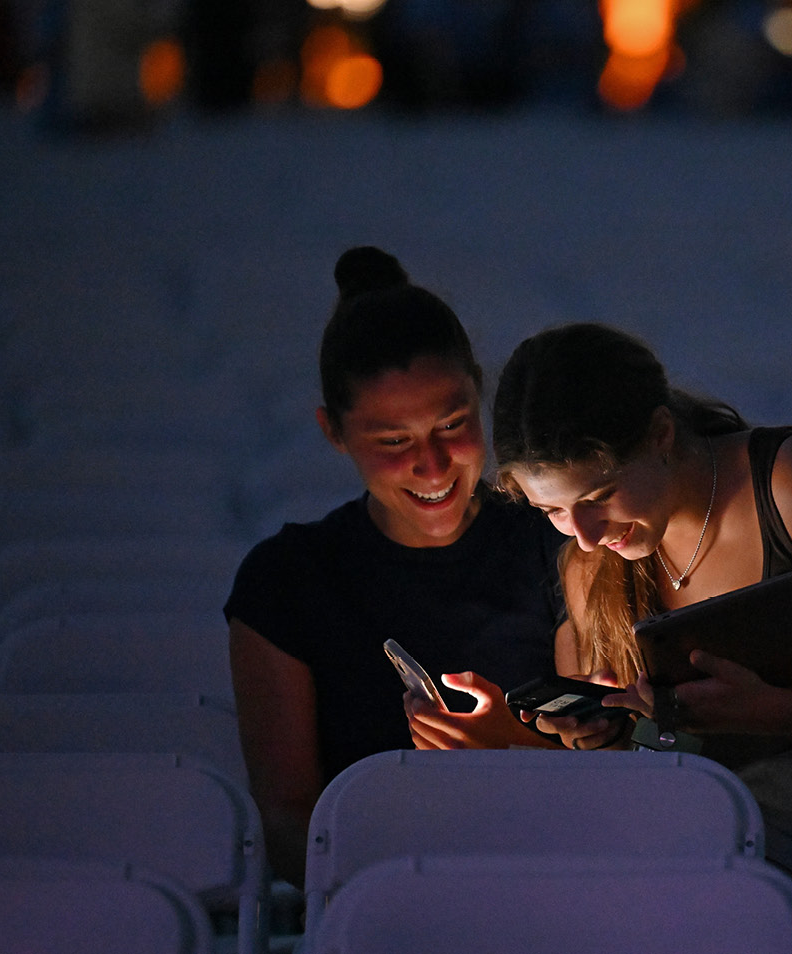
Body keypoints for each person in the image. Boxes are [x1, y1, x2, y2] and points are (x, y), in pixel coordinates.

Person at [475, 320, 792, 885]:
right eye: (553, 512)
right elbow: (648, 779)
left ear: (661, 434)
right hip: (736, 853)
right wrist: (610, 738)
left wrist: (768, 710)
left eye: (601, 496)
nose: (586, 534)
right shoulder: (591, 573)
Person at [224, 247, 569, 887]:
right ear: (334, 431)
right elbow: (287, 816)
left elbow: (614, 770)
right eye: (393, 442)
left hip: (555, 876)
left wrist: (514, 747)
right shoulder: (287, 581)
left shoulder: (556, 541)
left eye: (453, 424)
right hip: (376, 899)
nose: (433, 466)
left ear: (480, 394)